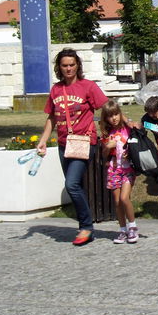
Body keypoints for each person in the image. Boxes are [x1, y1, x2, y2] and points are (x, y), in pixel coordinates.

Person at [36, 48, 108, 246]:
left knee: (72, 184)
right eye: (64, 65)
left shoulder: (88, 86)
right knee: (75, 186)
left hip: (84, 142)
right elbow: (51, 117)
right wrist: (43, 140)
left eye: (72, 65)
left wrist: (125, 123)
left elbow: (107, 107)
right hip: (63, 144)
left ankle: (86, 227)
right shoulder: (56, 90)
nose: (68, 69)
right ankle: (85, 225)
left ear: (78, 66)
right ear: (59, 68)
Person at [100, 99, 139, 244]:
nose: (114, 118)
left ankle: (133, 227)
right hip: (114, 169)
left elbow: (135, 143)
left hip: (128, 168)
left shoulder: (127, 129)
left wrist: (129, 152)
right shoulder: (107, 133)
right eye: (110, 116)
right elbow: (104, 154)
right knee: (117, 201)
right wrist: (107, 147)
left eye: (116, 114)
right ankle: (123, 230)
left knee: (124, 198)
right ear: (106, 118)